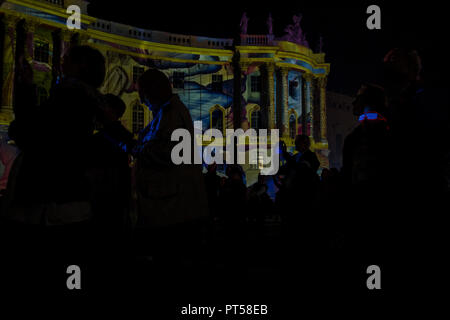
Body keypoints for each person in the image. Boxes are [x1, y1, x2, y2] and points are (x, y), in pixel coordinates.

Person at [1, 45, 106, 293]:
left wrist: (26, 90)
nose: (61, 60)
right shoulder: (83, 100)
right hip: (64, 204)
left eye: (67, 58)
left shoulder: (70, 97)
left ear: (81, 66)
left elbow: (33, 135)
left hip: (48, 205)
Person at [132, 69, 208, 270]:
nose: (142, 101)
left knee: (169, 264)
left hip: (171, 210)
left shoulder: (172, 114)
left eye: (142, 94)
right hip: (171, 208)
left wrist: (134, 147)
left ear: (150, 92)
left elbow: (167, 153)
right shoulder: (169, 113)